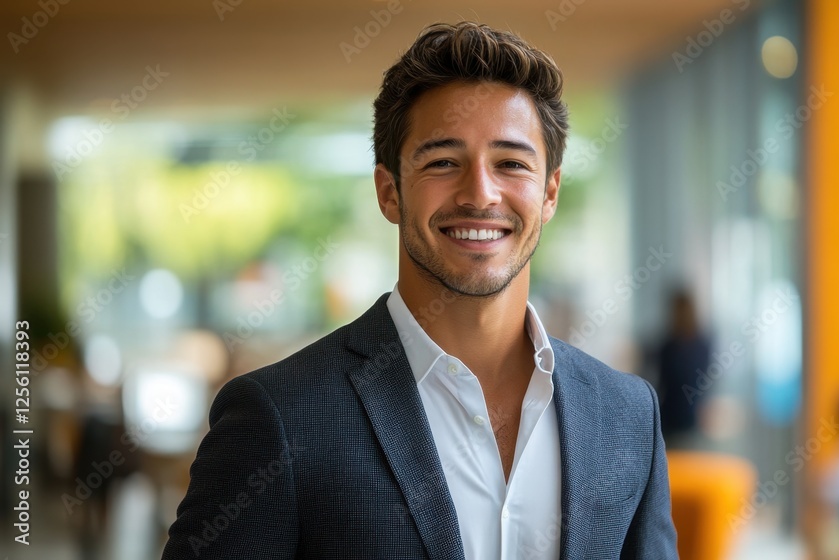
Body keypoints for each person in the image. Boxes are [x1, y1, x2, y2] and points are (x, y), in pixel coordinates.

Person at [161, 21, 678, 559]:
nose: (480, 194)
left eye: (510, 163)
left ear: (549, 193)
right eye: (443, 162)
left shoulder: (628, 415)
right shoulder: (279, 416)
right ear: (389, 192)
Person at [651, 288, 710, 447]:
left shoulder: (669, 346)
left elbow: (662, 383)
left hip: (672, 416)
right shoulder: (702, 345)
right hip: (691, 416)